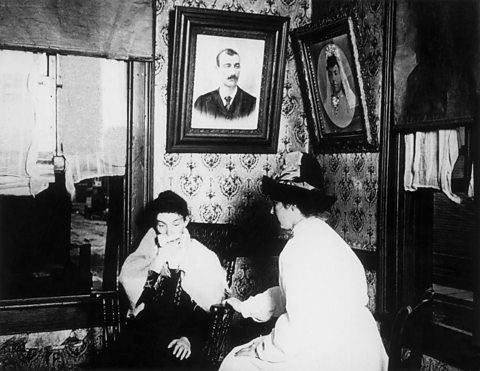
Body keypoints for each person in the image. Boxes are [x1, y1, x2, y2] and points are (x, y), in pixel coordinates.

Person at [219, 152, 388, 371]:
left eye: (276, 204)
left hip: (332, 354)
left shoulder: (297, 249)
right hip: (364, 348)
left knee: (235, 363)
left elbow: (300, 326)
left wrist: (262, 349)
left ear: (291, 205)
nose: (272, 210)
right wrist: (246, 307)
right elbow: (291, 295)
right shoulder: (325, 236)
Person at [109, 190, 228, 370]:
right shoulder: (151, 250)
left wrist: (188, 339)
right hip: (150, 327)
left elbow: (207, 309)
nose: (169, 231)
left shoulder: (201, 255)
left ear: (186, 221)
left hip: (186, 328)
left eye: (175, 224)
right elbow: (136, 292)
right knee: (123, 354)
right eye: (162, 225)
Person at [194, 48, 256, 120]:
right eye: (227, 66)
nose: (233, 72)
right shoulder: (202, 103)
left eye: (237, 66)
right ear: (217, 69)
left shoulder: (253, 103)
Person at [320, 43, 358, 129]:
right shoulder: (326, 105)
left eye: (336, 73)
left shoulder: (351, 100)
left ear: (341, 74)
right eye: (330, 74)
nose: (333, 79)